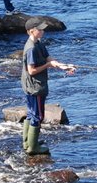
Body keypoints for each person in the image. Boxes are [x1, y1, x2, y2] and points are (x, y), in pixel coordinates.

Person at [22, 18, 76, 156]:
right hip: (35, 87)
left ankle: (28, 142)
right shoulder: (31, 49)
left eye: (42, 29)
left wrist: (64, 66)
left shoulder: (38, 43)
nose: (42, 31)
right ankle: (33, 148)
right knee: (37, 116)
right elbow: (32, 71)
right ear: (31, 31)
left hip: (33, 85)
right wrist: (48, 66)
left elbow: (49, 58)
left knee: (31, 113)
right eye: (39, 29)